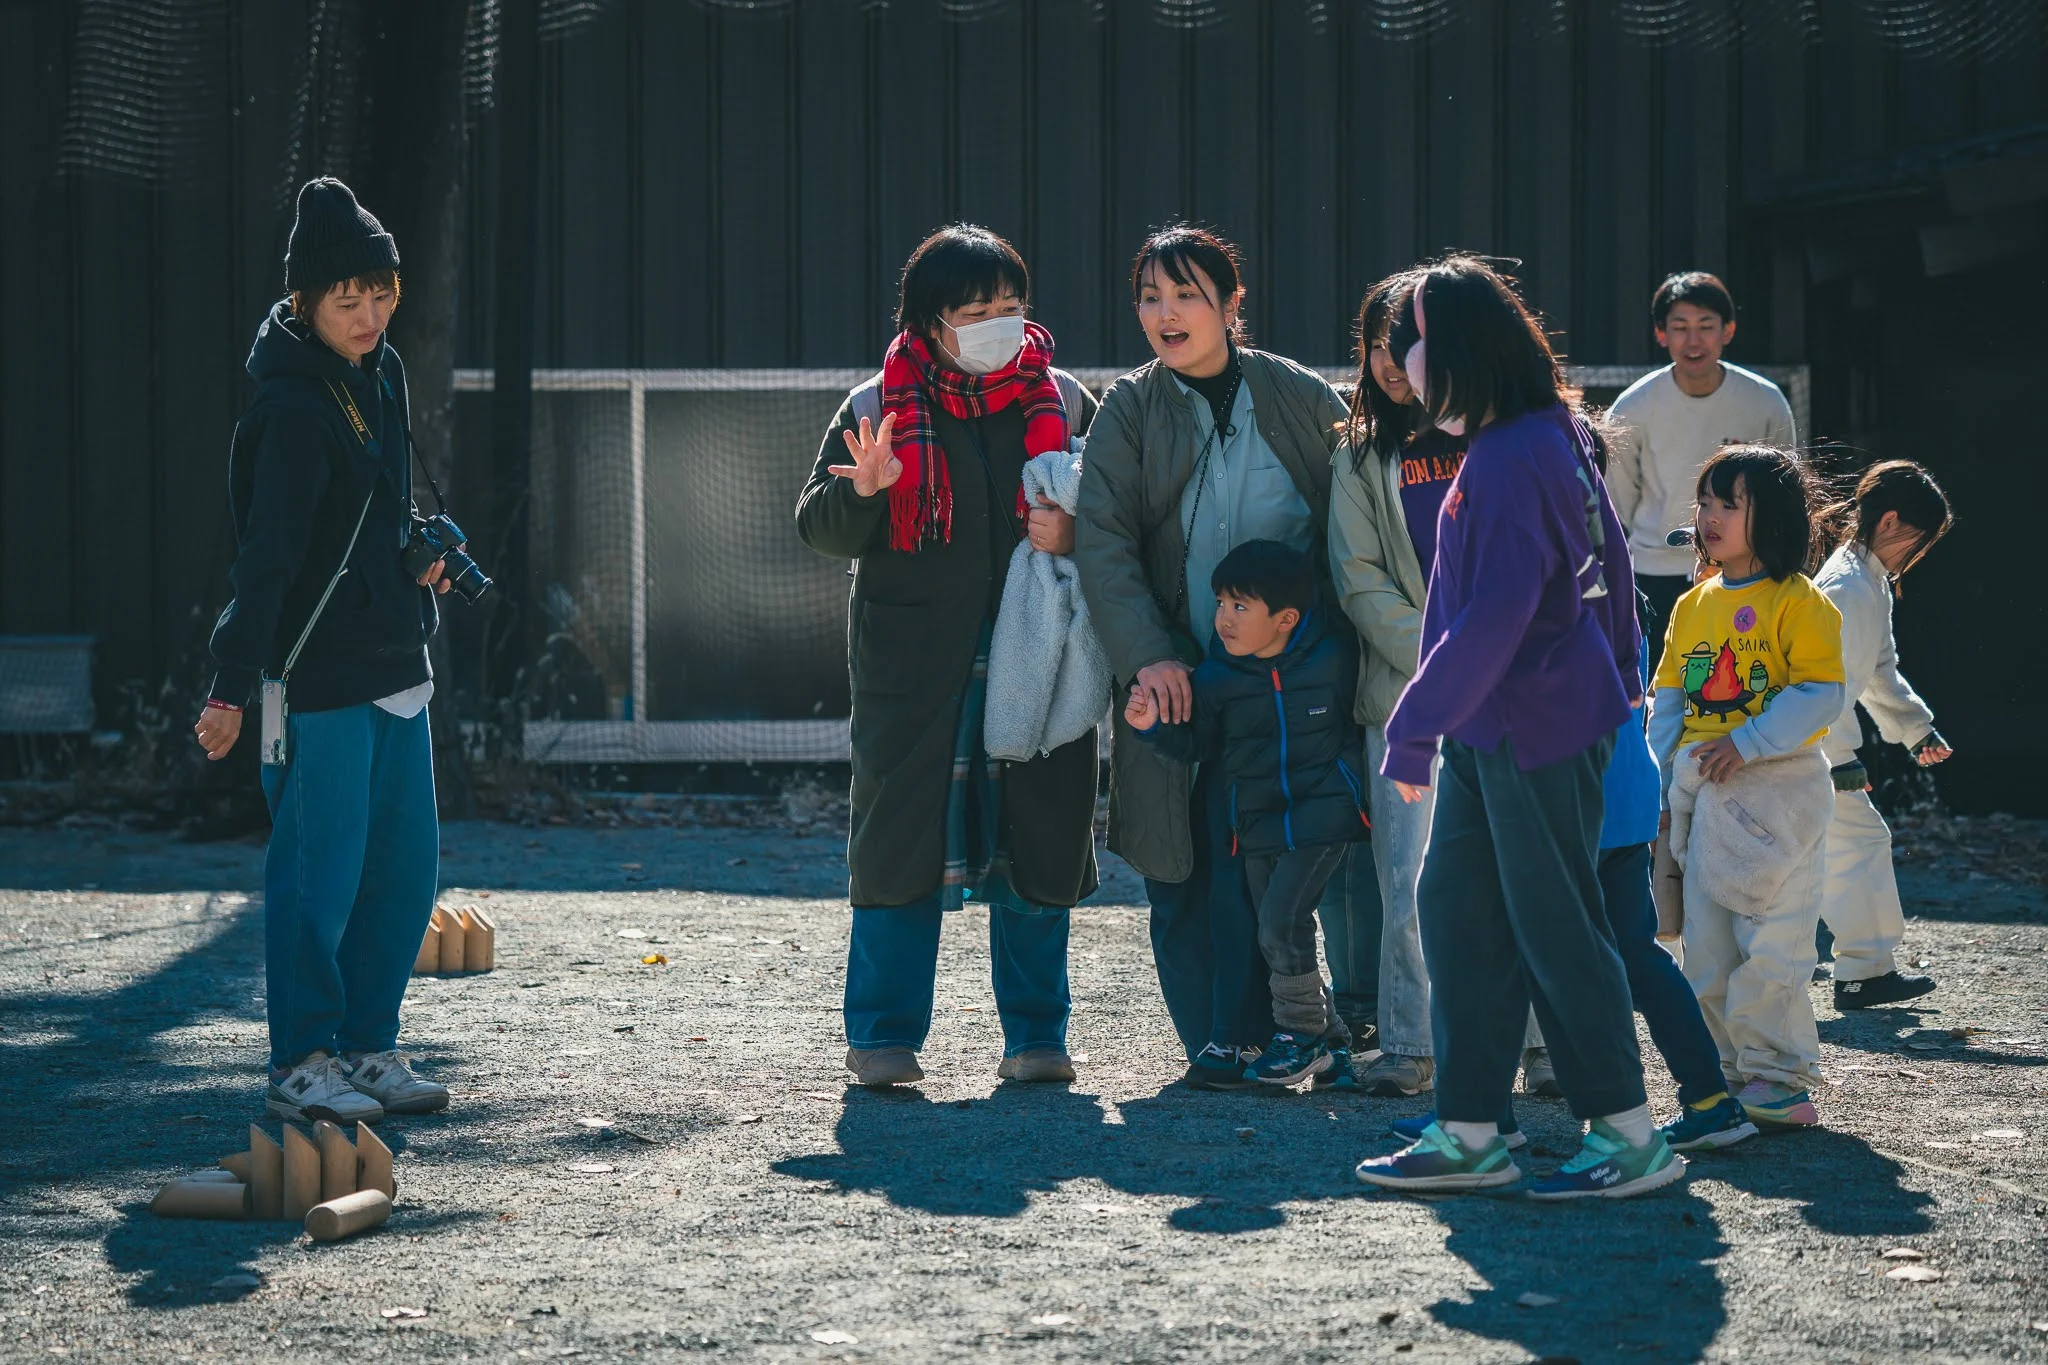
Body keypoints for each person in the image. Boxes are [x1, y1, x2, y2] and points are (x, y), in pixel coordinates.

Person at [1353, 256, 1684, 1201]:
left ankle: (1627, 1134)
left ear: (1452, 352)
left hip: (1533, 725)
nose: (1402, 368)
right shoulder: (1540, 434)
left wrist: (1412, 729)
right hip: (1503, 726)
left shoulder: (1508, 455)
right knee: (1460, 911)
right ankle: (1470, 1129)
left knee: (1556, 924)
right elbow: (1610, 563)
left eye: (1410, 348)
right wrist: (1620, 675)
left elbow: (1494, 616)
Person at [795, 224, 1100, 1089]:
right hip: (915, 663)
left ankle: (1037, 1035)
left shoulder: (1066, 399)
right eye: (976, 311)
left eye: (1012, 305)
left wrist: (1075, 532)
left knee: (1038, 832)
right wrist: (866, 491)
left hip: (1038, 649)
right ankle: (882, 1036)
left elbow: (1121, 517)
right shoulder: (875, 405)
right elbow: (817, 526)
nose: (1001, 323)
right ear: (930, 322)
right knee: (899, 839)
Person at [194, 177, 454, 1125]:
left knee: (404, 870)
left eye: (383, 294)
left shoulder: (384, 372)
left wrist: (417, 557)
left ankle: (367, 1045)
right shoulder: (291, 408)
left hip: (397, 664)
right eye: (349, 300)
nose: (371, 316)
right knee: (318, 876)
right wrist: (231, 686)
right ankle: (301, 1061)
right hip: (312, 679)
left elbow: (380, 514)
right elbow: (265, 560)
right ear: (304, 302)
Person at [1073, 226, 1351, 1090]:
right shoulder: (1129, 408)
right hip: (1179, 677)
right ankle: (1215, 1043)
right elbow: (1104, 543)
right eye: (1150, 297)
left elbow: (1350, 529)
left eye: (1187, 294)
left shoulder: (1299, 396)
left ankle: (1307, 1032)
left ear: (1232, 305)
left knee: (1281, 864)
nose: (1166, 313)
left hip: (1291, 687)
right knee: (1179, 864)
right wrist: (1150, 659)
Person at [1649, 445, 1845, 1130]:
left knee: (1772, 944)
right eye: (1705, 502)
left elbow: (1822, 692)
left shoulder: (1801, 600)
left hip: (1781, 792)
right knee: (1705, 950)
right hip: (1705, 796)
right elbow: (1669, 701)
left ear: (1775, 516)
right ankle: (1730, 1072)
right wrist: (1656, 786)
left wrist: (1748, 741)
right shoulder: (1692, 605)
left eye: (1729, 504)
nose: (1710, 516)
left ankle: (1780, 1077)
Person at [1124, 540, 1369, 1086]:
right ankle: (1332, 1044)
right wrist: (1152, 728)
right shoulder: (1218, 678)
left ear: (1286, 619)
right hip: (1256, 825)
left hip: (1320, 819)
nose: (1224, 619)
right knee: (1272, 927)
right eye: (1221, 603)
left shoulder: (1334, 658)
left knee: (1282, 922)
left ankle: (1299, 1035)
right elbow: (1197, 746)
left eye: (1240, 606)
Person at [1814, 460, 1954, 1010]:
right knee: (1857, 845)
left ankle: (1861, 972)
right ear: (1890, 521)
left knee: (1832, 852)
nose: (1917, 553)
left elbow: (1877, 669)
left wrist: (1916, 729)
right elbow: (1825, 680)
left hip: (1806, 740)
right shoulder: (1850, 585)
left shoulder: (1863, 577)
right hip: (1809, 744)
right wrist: (1840, 757)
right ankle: (1862, 974)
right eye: (1919, 539)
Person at [1607, 272, 1796, 634]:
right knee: (1660, 671)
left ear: (1728, 330)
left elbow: (1783, 493)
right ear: (1661, 334)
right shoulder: (1632, 406)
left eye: (1706, 326)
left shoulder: (1765, 401)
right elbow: (1617, 500)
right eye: (1680, 327)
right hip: (1654, 572)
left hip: (1744, 569)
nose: (1693, 340)